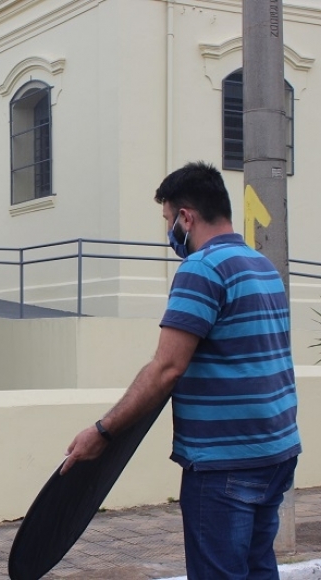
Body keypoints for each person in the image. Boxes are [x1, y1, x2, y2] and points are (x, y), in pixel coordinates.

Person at [62, 161, 301, 579]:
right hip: (276, 452)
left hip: (223, 462)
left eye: (168, 220)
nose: (169, 231)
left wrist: (101, 433)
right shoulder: (263, 266)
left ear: (186, 217)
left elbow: (166, 369)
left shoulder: (201, 269)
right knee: (258, 568)